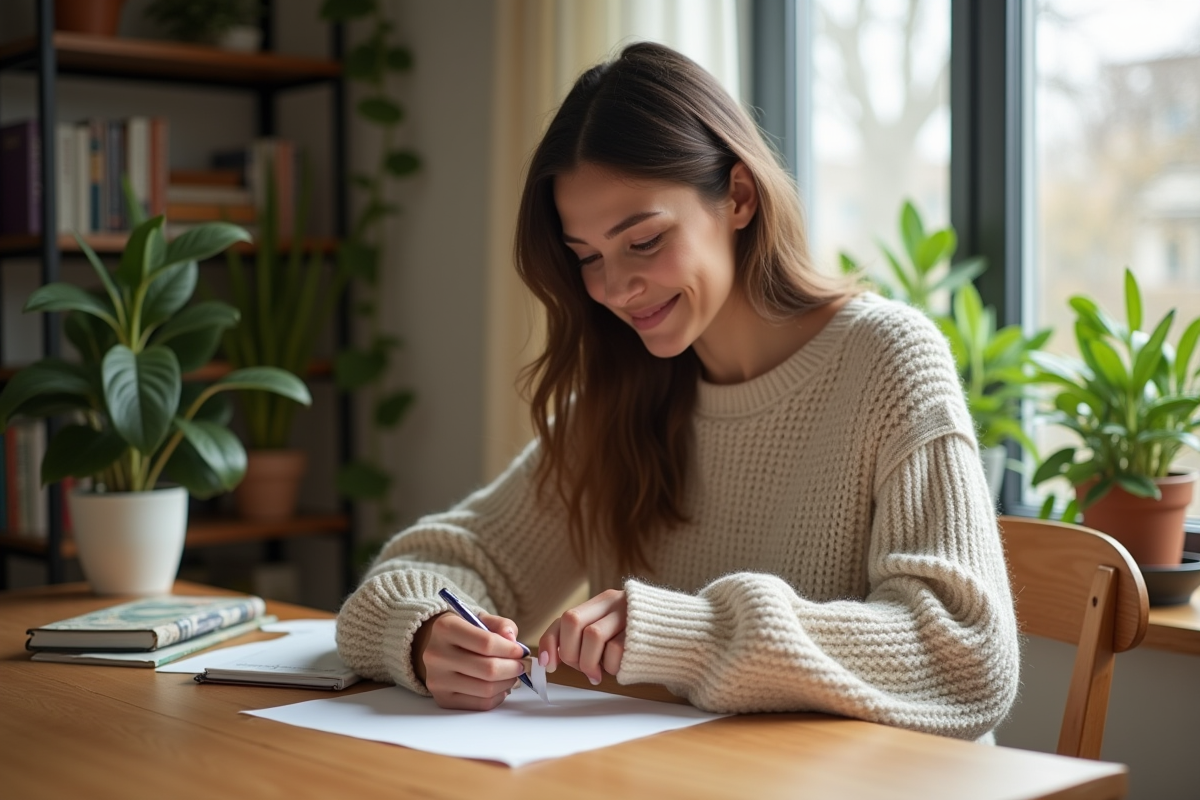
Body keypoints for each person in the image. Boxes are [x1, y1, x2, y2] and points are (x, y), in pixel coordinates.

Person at [336, 41, 1019, 743]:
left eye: (643, 241)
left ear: (739, 197)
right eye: (587, 258)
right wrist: (427, 633)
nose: (614, 288)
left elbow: (966, 658)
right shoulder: (623, 392)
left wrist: (690, 633)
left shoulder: (887, 360)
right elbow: (440, 563)